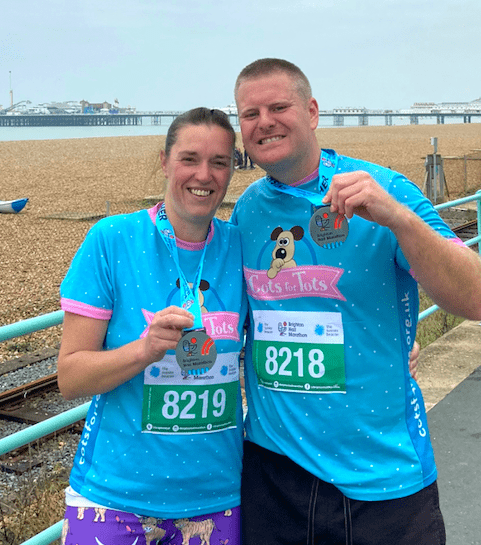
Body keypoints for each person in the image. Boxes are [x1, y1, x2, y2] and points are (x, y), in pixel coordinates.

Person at [231, 58, 481, 544]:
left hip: (382, 477)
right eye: (249, 113)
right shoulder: (248, 209)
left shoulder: (384, 190)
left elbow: (474, 297)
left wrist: (400, 220)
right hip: (273, 475)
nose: (264, 122)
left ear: (313, 111)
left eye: (278, 106)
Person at [57, 107, 248, 545]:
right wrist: (144, 350)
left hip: (216, 498)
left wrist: (397, 348)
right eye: (189, 159)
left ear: (232, 169)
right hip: (115, 496)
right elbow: (70, 377)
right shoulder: (111, 240)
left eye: (220, 162)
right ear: (164, 161)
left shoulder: (240, 247)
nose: (204, 174)